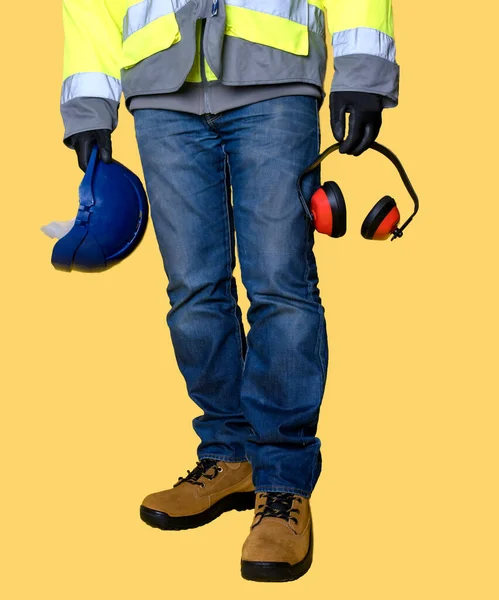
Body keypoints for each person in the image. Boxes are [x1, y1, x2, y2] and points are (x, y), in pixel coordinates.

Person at [60, 0, 399, 582]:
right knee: (192, 293)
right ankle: (228, 453)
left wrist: (362, 69)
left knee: (281, 286)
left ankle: (283, 484)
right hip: (161, 87)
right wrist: (89, 104)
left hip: (275, 77)